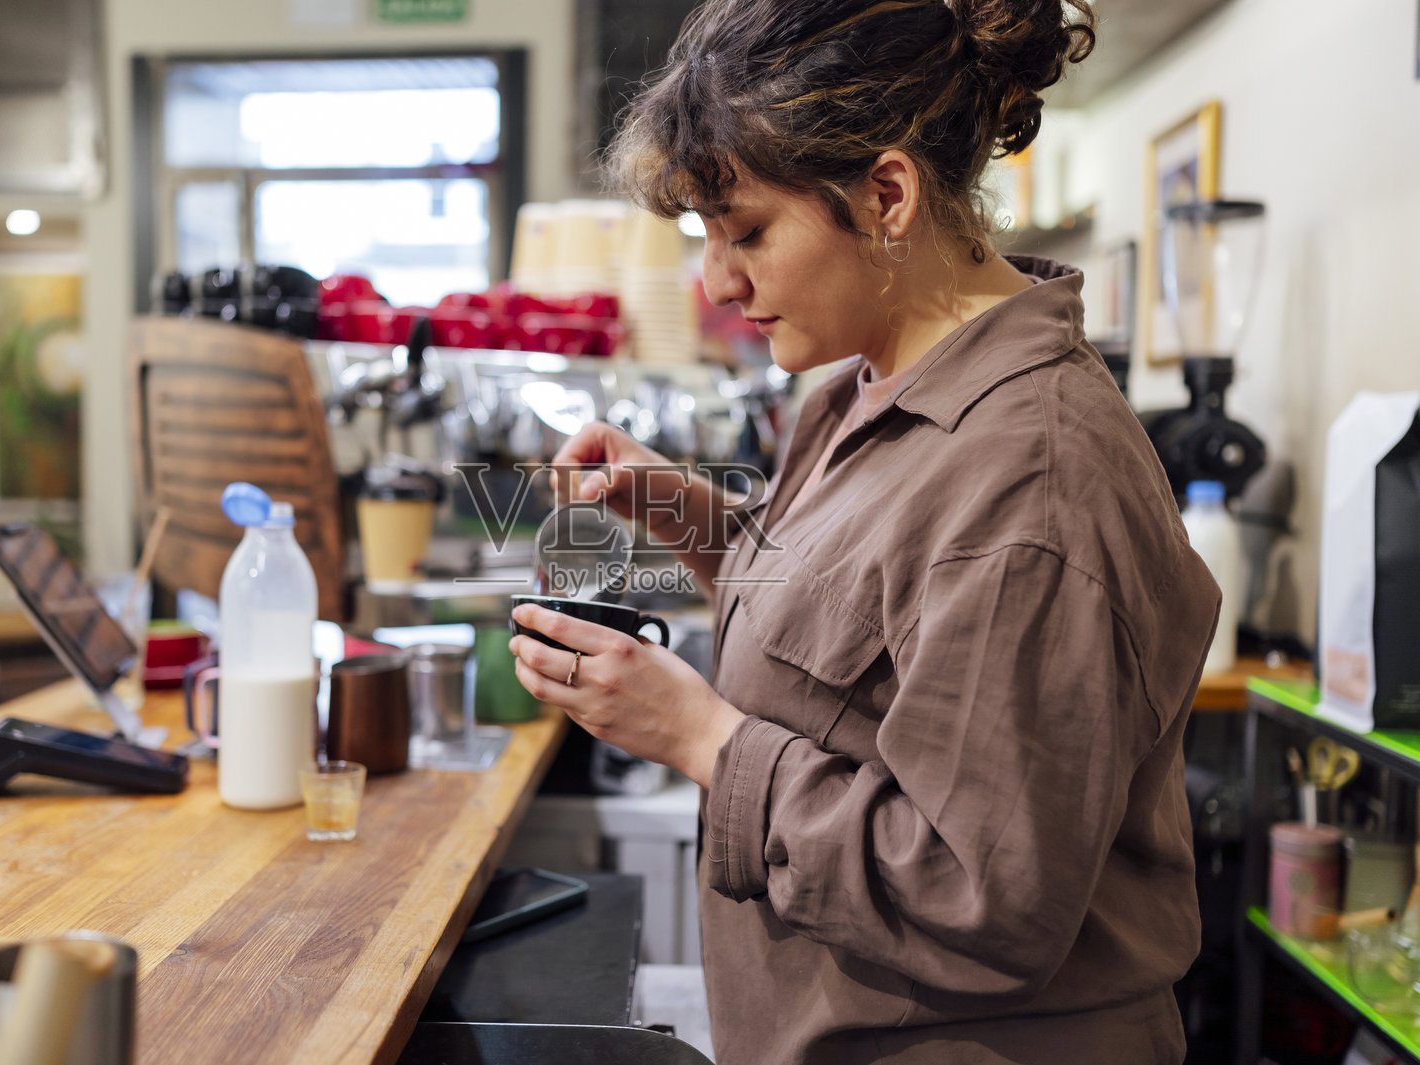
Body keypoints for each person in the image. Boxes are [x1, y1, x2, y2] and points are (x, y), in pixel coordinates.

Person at [506, 1, 1219, 1061]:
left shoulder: (1031, 479)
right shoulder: (858, 387)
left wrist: (699, 737)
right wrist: (681, 510)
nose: (716, 282)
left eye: (746, 232)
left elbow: (981, 895)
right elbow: (855, 629)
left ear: (886, 195)